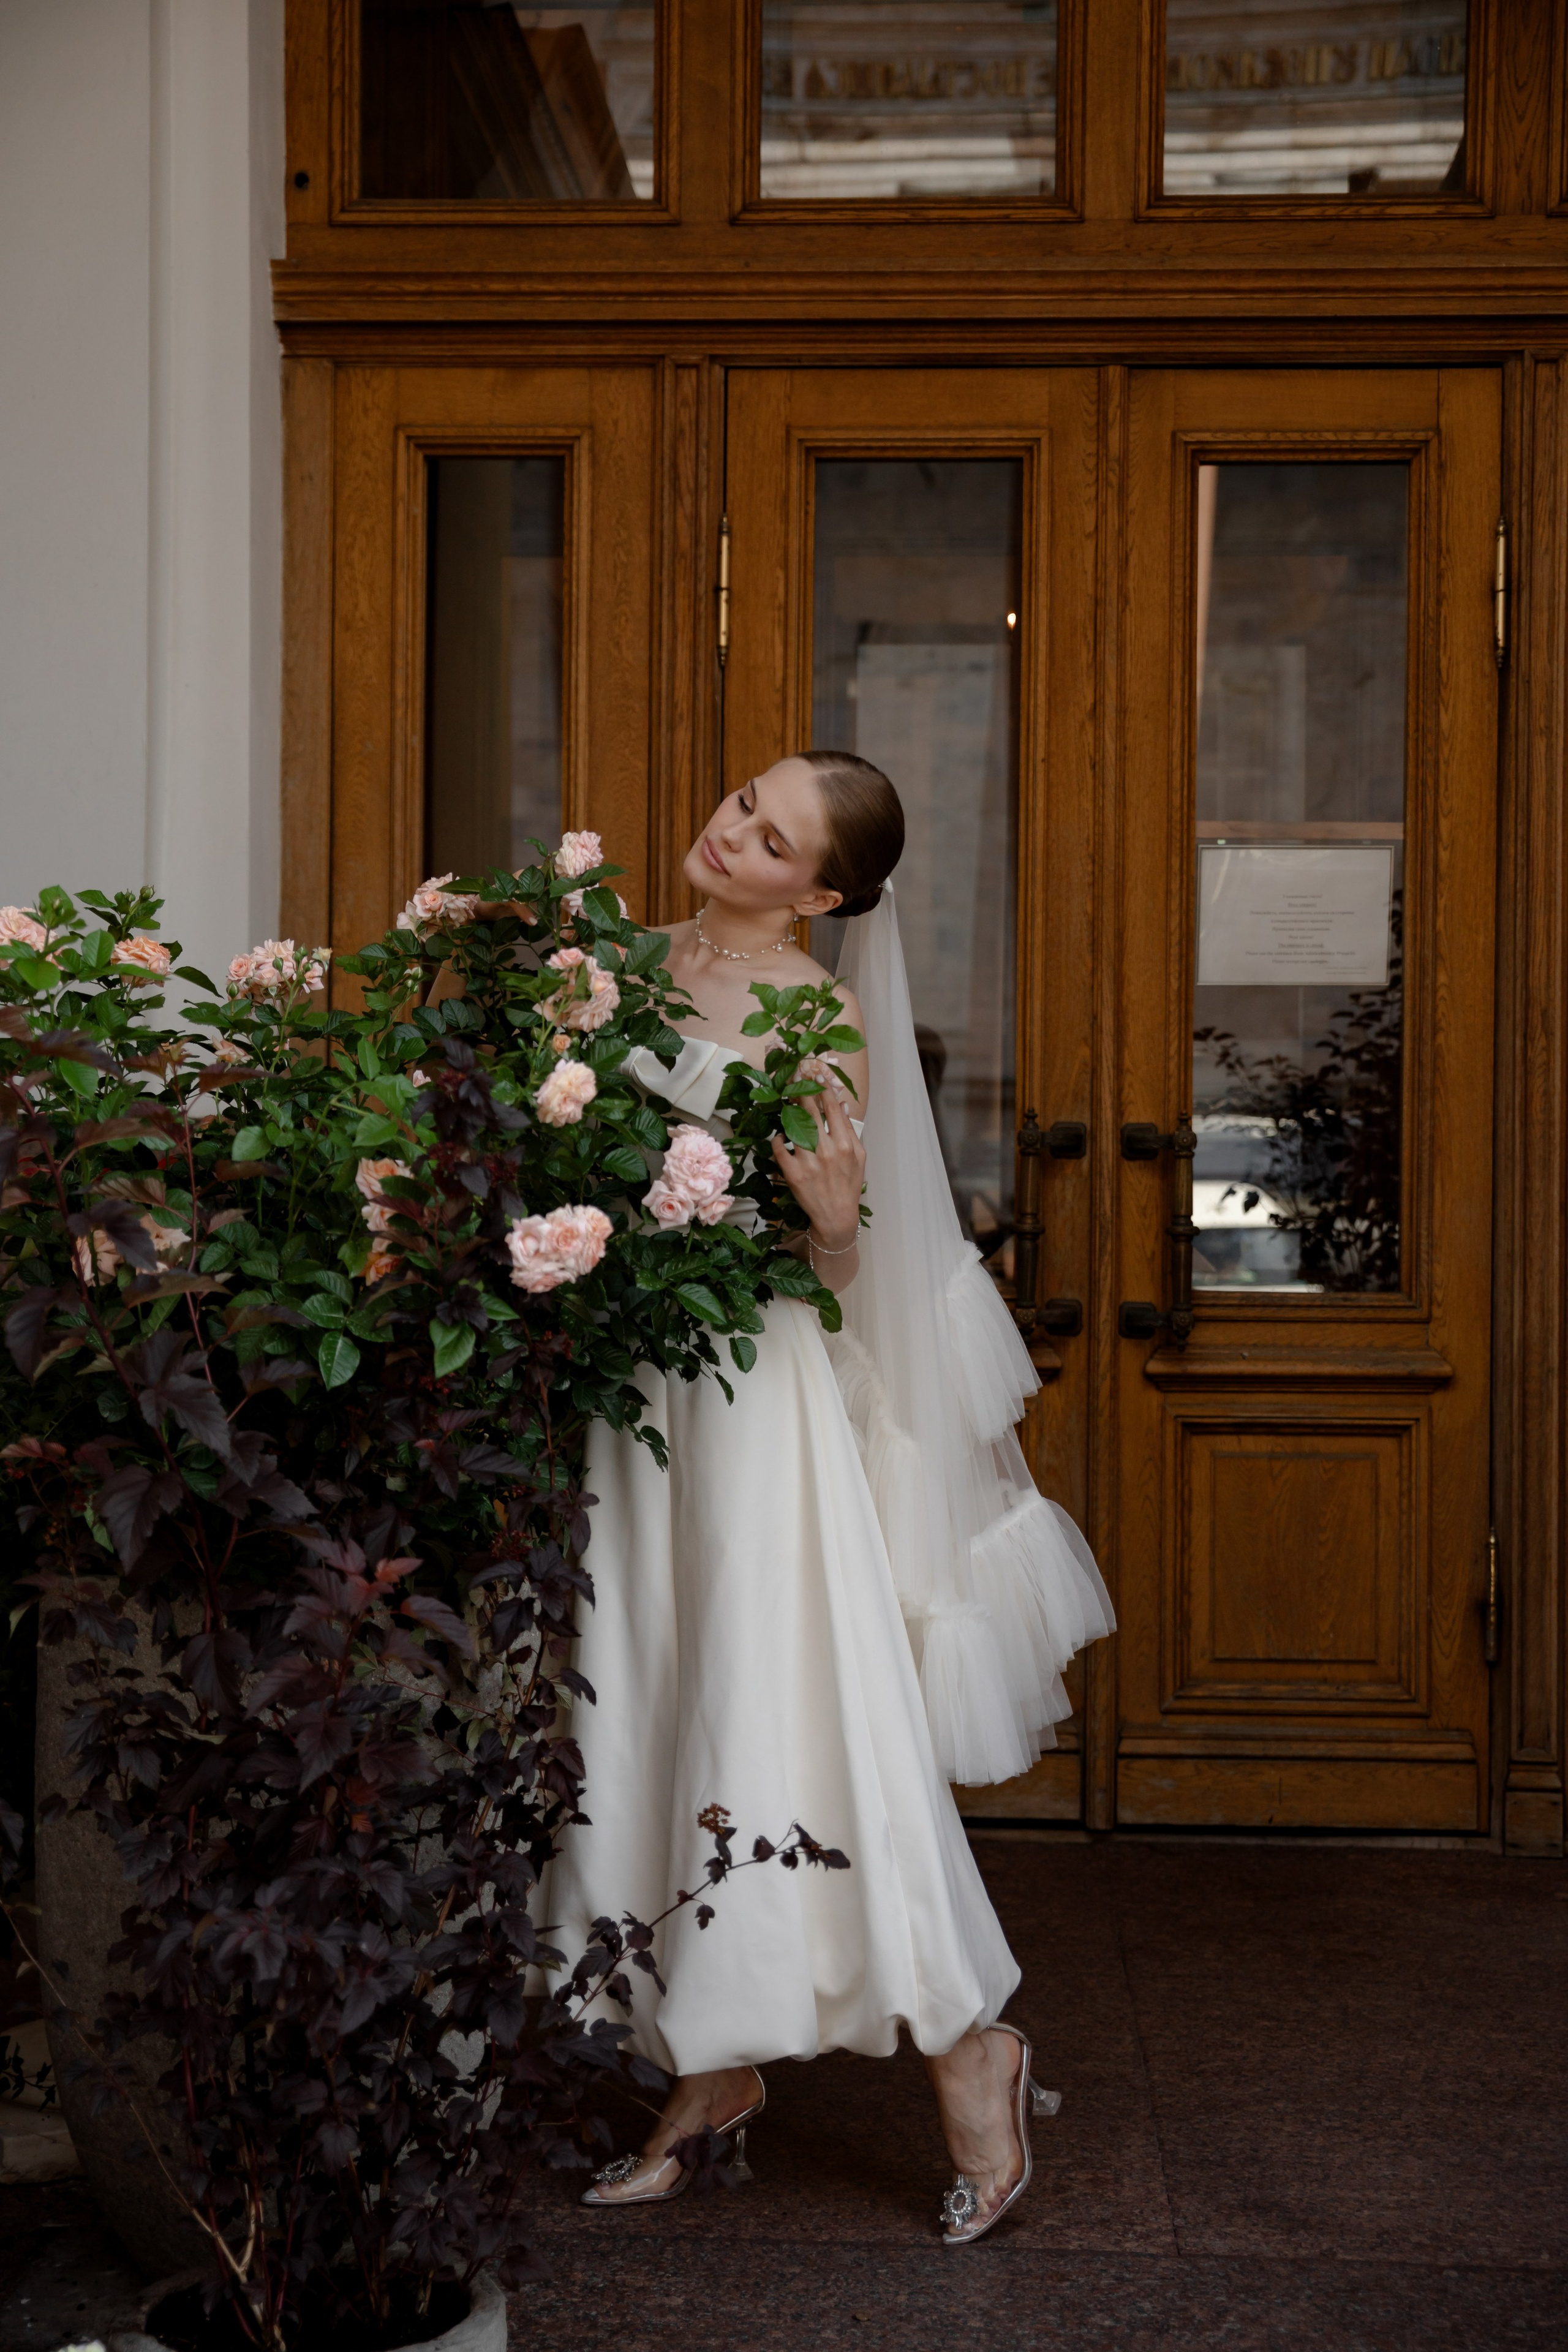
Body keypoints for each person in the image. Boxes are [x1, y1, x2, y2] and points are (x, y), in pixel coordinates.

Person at [545, 752, 1114, 2245]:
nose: (728, 831)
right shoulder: (611, 965)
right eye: (741, 802)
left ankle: (967, 2044)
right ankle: (708, 2066)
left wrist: (836, 1214)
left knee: (794, 1717)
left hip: (750, 1399)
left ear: (825, 894)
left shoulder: (818, 1011)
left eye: (770, 836)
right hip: (627, 1402)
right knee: (651, 1700)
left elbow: (838, 1264)